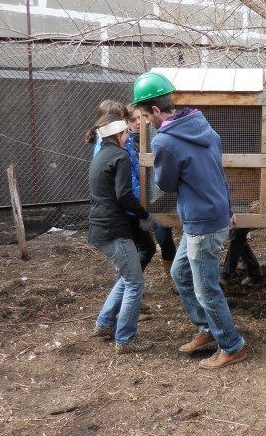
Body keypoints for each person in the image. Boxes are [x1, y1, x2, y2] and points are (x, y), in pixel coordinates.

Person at [132, 71, 247, 370]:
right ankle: (207, 329)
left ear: (155, 111)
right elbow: (218, 173)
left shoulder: (165, 142)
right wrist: (229, 206)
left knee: (206, 287)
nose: (145, 122)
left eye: (145, 116)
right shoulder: (202, 126)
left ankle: (231, 345)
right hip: (213, 214)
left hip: (203, 223)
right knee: (180, 273)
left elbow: (167, 185)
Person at [86, 111, 154, 354]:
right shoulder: (120, 157)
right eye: (126, 132)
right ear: (117, 133)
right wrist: (145, 215)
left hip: (100, 228)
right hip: (114, 229)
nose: (128, 135)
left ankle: (105, 323)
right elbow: (124, 195)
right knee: (135, 283)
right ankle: (125, 339)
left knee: (127, 278)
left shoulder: (101, 155)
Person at [127, 104, 179, 293]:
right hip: (137, 203)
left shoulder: (159, 136)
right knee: (140, 247)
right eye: (132, 120)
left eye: (141, 117)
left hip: (160, 198)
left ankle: (172, 277)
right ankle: (131, 288)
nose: (138, 123)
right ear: (127, 124)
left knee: (164, 238)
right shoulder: (127, 143)